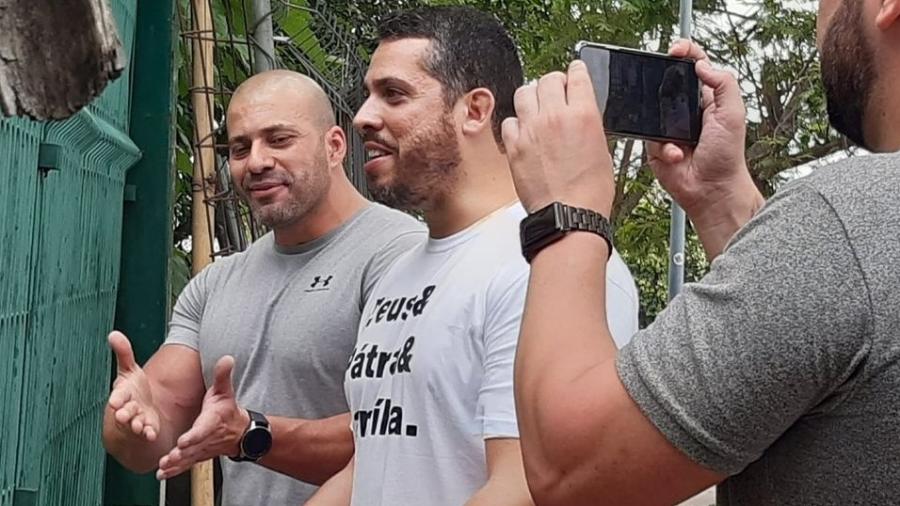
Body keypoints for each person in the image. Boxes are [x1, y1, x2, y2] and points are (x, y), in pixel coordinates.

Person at [505, 0, 900, 504]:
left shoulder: (847, 218)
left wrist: (567, 209)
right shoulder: (854, 235)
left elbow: (570, 470)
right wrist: (721, 201)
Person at [308, 6, 639, 505]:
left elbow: (521, 487)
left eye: (393, 95)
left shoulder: (555, 262)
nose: (362, 117)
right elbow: (375, 460)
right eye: (367, 95)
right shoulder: (398, 274)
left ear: (476, 110)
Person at [102, 70, 425, 504]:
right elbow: (147, 440)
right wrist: (128, 419)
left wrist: (250, 433)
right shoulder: (215, 283)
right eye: (240, 147)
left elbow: (406, 433)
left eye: (279, 139)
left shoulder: (401, 257)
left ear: (334, 146)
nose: (256, 162)